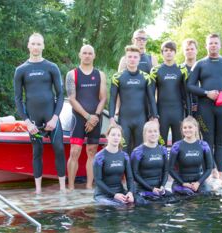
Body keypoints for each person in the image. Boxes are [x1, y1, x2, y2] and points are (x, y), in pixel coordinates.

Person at [187, 33, 222, 186]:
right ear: (206, 46)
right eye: (210, 43)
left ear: (220, 45)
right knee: (207, 141)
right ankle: (210, 171)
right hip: (204, 108)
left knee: (221, 142)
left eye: (215, 43)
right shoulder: (199, 64)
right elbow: (190, 86)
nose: (213, 45)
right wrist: (207, 93)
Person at [14, 33, 66, 194]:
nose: (36, 47)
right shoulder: (21, 70)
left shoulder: (51, 67)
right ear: (28, 46)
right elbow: (17, 98)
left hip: (52, 117)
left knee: (58, 148)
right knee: (37, 151)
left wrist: (55, 118)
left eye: (39, 44)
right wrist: (27, 122)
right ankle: (38, 191)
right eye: (33, 44)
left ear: (43, 46)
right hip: (34, 121)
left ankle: (63, 189)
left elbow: (60, 94)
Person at [65, 45, 107, 190]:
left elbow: (103, 98)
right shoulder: (72, 74)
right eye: (84, 53)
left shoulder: (100, 74)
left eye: (90, 53)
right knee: (74, 152)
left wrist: (95, 116)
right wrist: (88, 116)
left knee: (92, 151)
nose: (87, 56)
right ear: (80, 55)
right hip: (79, 118)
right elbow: (71, 99)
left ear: (94, 55)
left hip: (95, 118)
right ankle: (70, 187)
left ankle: (89, 186)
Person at [109, 45, 158, 153]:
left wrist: (155, 117)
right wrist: (111, 118)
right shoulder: (117, 77)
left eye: (135, 57)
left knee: (139, 150)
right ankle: (125, 170)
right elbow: (112, 99)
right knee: (123, 149)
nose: (132, 59)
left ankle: (137, 171)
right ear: (125, 59)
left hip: (141, 119)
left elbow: (151, 99)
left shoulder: (146, 77)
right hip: (124, 120)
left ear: (139, 59)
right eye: (129, 57)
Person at [150, 41, 191, 146]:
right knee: (160, 143)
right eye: (166, 50)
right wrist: (154, 115)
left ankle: (176, 162)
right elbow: (151, 95)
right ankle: (161, 162)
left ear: (175, 52)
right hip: (162, 113)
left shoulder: (182, 69)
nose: (168, 53)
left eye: (171, 50)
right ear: (162, 53)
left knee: (178, 144)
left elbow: (186, 94)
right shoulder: (155, 70)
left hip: (178, 112)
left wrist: (189, 115)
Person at [169, 116, 213, 195]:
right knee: (188, 195)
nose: (187, 130)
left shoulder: (203, 145)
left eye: (190, 127)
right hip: (181, 183)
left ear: (196, 128)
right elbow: (170, 169)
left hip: (198, 182)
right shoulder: (177, 146)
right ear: (182, 130)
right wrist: (183, 183)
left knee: (208, 195)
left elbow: (209, 168)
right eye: (185, 128)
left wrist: (198, 183)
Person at [131, 121, 170, 204]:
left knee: (174, 200)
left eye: (155, 131)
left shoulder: (163, 150)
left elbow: (166, 171)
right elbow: (135, 174)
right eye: (150, 131)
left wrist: (162, 186)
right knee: (147, 205)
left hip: (158, 189)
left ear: (159, 133)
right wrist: (151, 189)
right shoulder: (137, 151)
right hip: (142, 190)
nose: (153, 134)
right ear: (145, 133)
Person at [93, 125, 134, 205]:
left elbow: (129, 177)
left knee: (138, 201)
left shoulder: (124, 156)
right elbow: (98, 181)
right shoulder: (99, 157)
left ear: (121, 138)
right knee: (117, 206)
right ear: (107, 136)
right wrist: (114, 195)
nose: (116, 137)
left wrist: (130, 192)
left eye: (118, 135)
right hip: (103, 194)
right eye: (113, 135)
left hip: (120, 192)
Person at [182, 38, 199, 117]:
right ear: (183, 52)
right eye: (187, 49)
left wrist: (199, 104)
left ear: (196, 51)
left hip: (201, 109)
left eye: (192, 49)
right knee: (184, 129)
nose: (189, 51)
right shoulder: (179, 69)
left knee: (203, 128)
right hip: (183, 110)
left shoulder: (202, 68)